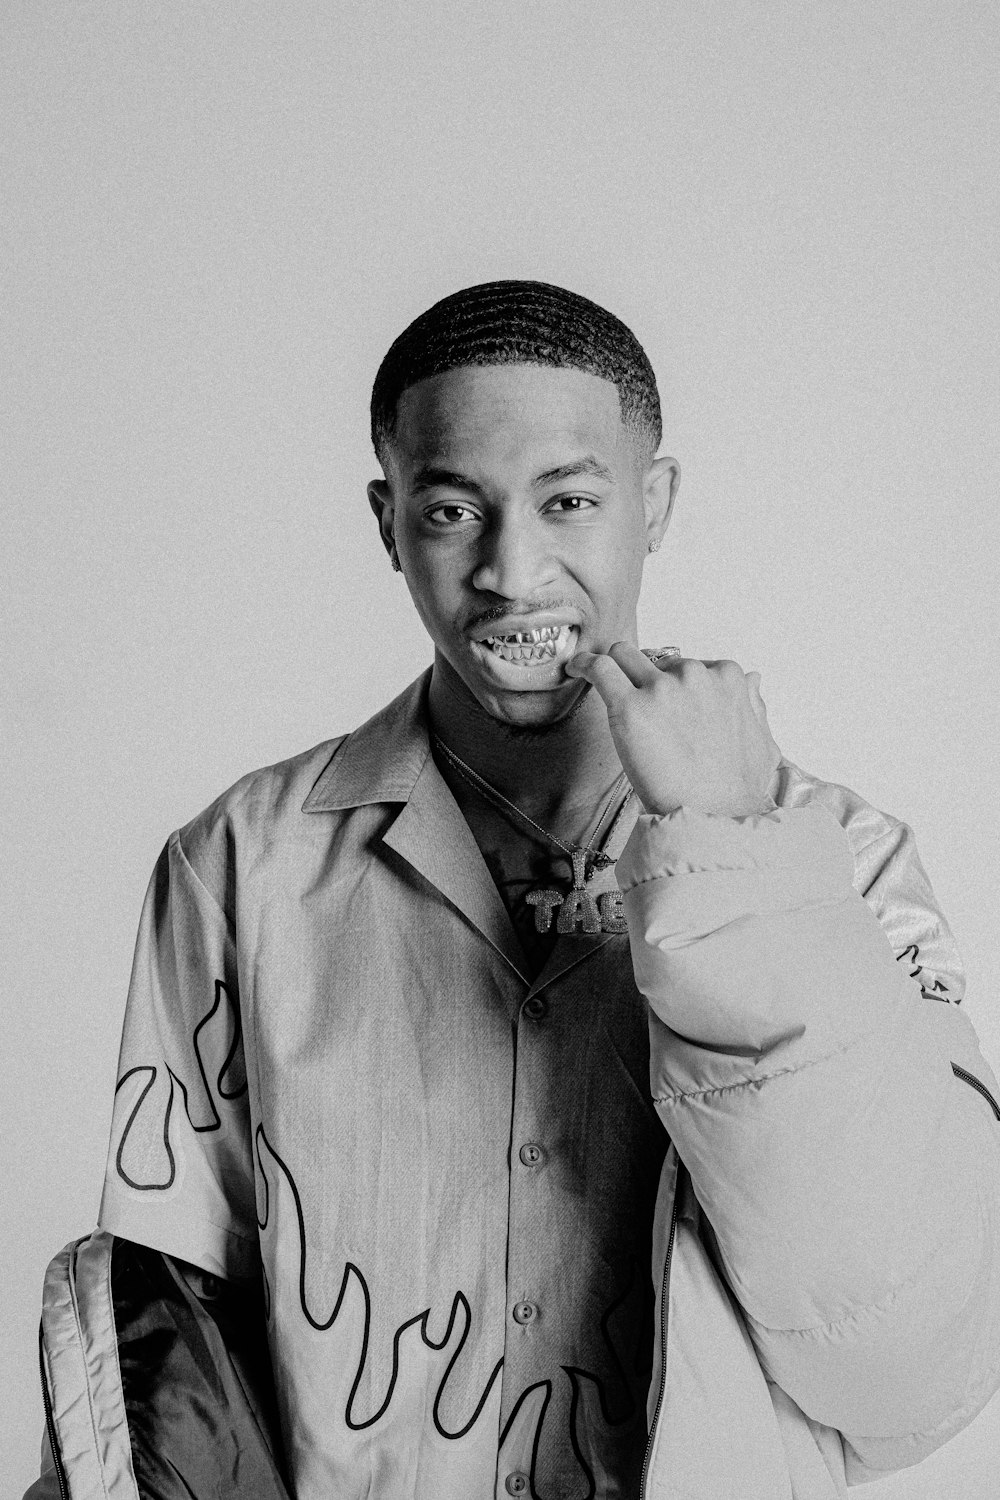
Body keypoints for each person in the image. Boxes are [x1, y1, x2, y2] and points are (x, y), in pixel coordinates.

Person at [28, 281, 1000, 1500]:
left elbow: (907, 1371)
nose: (510, 570)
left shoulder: (836, 863)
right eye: (451, 509)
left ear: (654, 505)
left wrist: (733, 853)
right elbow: (173, 1377)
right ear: (388, 522)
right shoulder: (239, 867)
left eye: (570, 502)